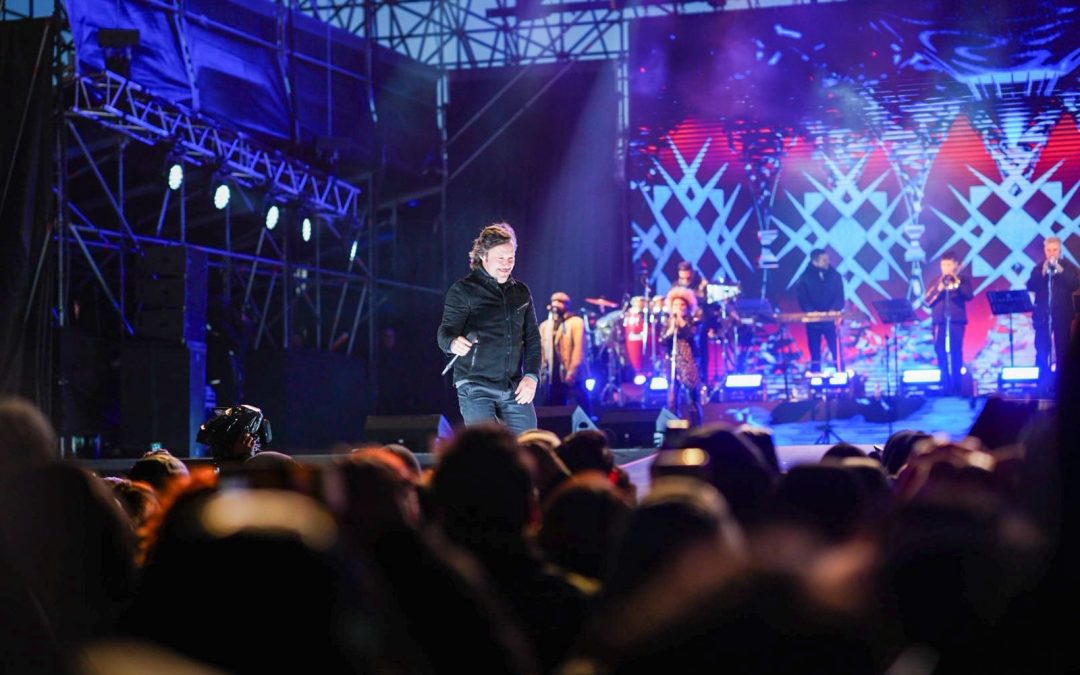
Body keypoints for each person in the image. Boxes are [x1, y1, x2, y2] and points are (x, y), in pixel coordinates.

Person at [437, 222, 541, 435]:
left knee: (530, 447)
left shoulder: (521, 292)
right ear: (483, 256)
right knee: (488, 452)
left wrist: (531, 376)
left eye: (510, 258)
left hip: (513, 386)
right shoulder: (464, 290)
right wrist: (453, 343)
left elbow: (532, 338)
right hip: (475, 385)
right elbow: (445, 332)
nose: (506, 264)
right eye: (500, 259)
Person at [1025, 236, 1078, 390]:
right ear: (1045, 251)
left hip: (1062, 314)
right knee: (1042, 349)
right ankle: (1042, 383)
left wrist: (1060, 271)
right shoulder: (1038, 267)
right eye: (1049, 250)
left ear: (1059, 250)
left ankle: (1063, 385)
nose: (1052, 253)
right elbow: (1031, 285)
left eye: (1054, 250)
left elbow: (1074, 284)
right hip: (1043, 315)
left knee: (1063, 349)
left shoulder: (1067, 266)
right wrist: (1042, 272)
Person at [925, 251, 971, 395]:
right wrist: (938, 289)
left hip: (956, 320)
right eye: (943, 265)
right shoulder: (935, 281)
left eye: (949, 265)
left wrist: (956, 282)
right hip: (939, 321)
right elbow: (927, 301)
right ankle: (945, 385)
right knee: (940, 352)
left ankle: (957, 386)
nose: (946, 268)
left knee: (956, 351)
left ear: (956, 266)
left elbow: (969, 295)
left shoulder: (962, 280)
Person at [538, 291, 590, 413]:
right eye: (554, 301)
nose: (556, 304)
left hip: (573, 375)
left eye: (560, 302)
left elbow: (579, 348)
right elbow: (541, 351)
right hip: (552, 375)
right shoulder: (545, 326)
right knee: (552, 408)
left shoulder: (576, 322)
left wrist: (572, 371)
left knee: (580, 406)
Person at [794, 249, 845, 372]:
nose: (827, 262)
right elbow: (802, 297)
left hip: (831, 320)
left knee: (836, 350)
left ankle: (840, 372)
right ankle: (815, 375)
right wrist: (811, 312)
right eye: (824, 260)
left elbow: (840, 295)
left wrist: (834, 309)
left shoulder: (835, 276)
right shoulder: (804, 278)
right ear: (814, 262)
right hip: (813, 321)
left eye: (827, 259)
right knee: (815, 352)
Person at [662, 287, 703, 426]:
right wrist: (671, 328)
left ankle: (697, 428)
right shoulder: (667, 322)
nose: (679, 308)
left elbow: (690, 334)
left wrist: (680, 319)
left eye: (682, 305)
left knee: (692, 399)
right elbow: (663, 340)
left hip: (689, 363)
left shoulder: (694, 321)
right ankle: (673, 430)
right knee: (672, 398)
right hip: (672, 362)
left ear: (688, 306)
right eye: (676, 305)